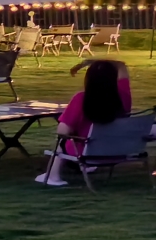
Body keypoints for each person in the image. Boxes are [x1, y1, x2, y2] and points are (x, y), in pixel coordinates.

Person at [36, 57, 131, 186]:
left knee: (62, 140)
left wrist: (88, 63)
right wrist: (93, 62)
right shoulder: (124, 96)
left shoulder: (81, 99)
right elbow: (121, 65)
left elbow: (62, 132)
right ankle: (84, 167)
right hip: (117, 152)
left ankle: (53, 176)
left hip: (87, 152)